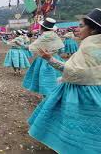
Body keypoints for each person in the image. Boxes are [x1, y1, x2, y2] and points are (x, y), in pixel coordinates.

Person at [28, 8, 101, 154]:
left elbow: (74, 72)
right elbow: (62, 49)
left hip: (80, 92)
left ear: (93, 30)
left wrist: (49, 59)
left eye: (81, 26)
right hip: (96, 91)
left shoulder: (89, 47)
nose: (77, 29)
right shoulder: (92, 45)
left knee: (69, 120)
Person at [22, 18, 65, 96]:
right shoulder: (55, 35)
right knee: (55, 78)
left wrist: (22, 45)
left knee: (45, 79)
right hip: (56, 58)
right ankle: (55, 95)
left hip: (44, 60)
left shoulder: (43, 37)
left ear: (42, 28)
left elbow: (31, 47)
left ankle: (47, 98)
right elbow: (61, 49)